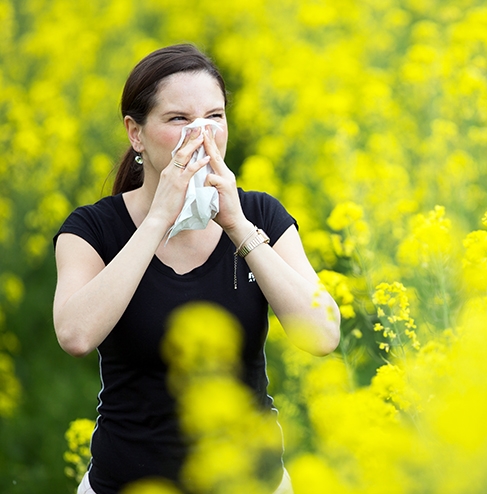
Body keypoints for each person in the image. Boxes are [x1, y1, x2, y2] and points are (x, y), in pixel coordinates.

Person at [52, 44, 341, 494]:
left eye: (214, 117)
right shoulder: (93, 229)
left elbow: (323, 335)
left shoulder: (260, 216)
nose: (201, 134)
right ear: (135, 133)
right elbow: (75, 335)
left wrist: (238, 227)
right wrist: (157, 221)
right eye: (178, 120)